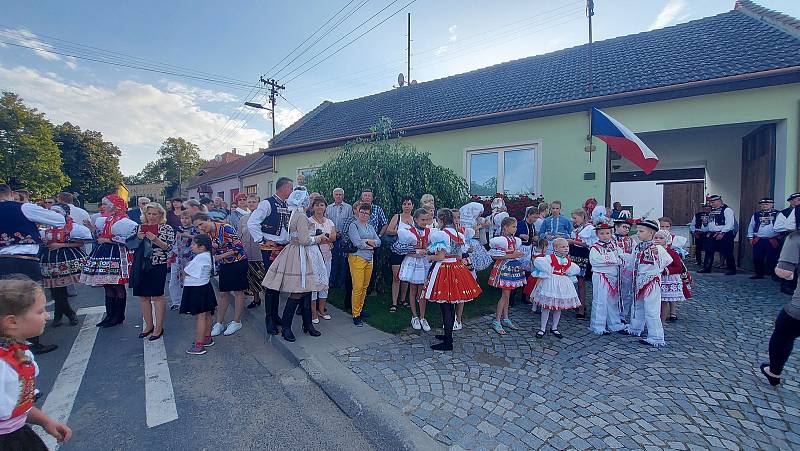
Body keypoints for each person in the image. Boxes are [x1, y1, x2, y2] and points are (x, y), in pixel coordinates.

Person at [0, 276, 72, 449]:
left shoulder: (18, 351)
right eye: (40, 312)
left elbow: (16, 406)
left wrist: (45, 421)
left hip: (17, 434)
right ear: (12, 322)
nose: (47, 316)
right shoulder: (3, 364)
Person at [262, 187, 327, 341]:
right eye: (308, 201)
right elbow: (304, 240)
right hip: (301, 254)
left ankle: (307, 324)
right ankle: (286, 327)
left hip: (295, 251)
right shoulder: (302, 216)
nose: (310, 203)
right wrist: (319, 238)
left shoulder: (293, 214)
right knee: (299, 291)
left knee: (307, 290)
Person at [424, 209, 482, 351]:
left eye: (438, 219)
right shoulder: (458, 234)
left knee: (446, 306)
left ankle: (448, 341)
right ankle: (447, 335)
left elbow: (440, 257)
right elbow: (460, 256)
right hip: (457, 268)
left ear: (442, 219)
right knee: (449, 304)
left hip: (445, 269)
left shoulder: (441, 234)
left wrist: (429, 257)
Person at [81, 194, 138, 329]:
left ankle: (118, 316)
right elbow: (102, 235)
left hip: (117, 254)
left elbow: (129, 240)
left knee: (117, 285)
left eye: (105, 204)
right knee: (107, 285)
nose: (102, 207)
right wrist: (93, 229)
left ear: (114, 206)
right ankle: (110, 315)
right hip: (105, 253)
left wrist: (108, 240)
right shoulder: (107, 219)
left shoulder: (125, 221)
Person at [247, 177, 293, 335]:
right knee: (271, 283)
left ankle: (275, 315)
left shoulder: (286, 205)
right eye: (290, 188)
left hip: (284, 247)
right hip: (270, 248)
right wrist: (262, 239)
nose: (291, 191)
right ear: (282, 188)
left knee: (278, 283)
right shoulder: (267, 203)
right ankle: (269, 319)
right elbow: (252, 222)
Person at [193, 213, 248, 337]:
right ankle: (219, 322)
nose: (200, 228)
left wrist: (219, 256)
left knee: (238, 292)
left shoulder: (225, 228)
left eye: (201, 224)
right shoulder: (206, 234)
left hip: (238, 262)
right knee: (223, 293)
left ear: (208, 219)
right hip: (224, 264)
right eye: (197, 227)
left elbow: (238, 247)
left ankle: (237, 321)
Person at [38, 204, 91, 327]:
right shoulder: (45, 227)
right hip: (49, 259)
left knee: (60, 288)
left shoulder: (71, 227)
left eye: (57, 212)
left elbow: (80, 243)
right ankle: (67, 313)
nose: (54, 214)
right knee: (55, 288)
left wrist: (60, 245)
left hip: (65, 258)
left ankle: (62, 315)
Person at [129, 203, 175, 341]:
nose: (152, 216)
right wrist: (138, 238)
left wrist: (155, 239)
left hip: (157, 264)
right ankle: (148, 325)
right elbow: (130, 245)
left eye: (155, 214)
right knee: (143, 296)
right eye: (149, 214)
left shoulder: (166, 228)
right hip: (141, 265)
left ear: (161, 215)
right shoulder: (138, 227)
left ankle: (158, 327)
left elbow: (168, 247)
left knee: (157, 296)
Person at [624, 219, 672, 347]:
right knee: (638, 305)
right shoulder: (639, 246)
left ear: (651, 233)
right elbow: (633, 261)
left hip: (651, 281)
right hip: (639, 280)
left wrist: (659, 252)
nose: (638, 233)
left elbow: (667, 259)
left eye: (641, 231)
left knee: (651, 309)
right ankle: (635, 328)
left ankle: (656, 336)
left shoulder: (655, 247)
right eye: (638, 230)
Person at [761, 231, 800, 386]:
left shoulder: (795, 238)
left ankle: (774, 372)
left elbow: (784, 272)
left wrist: (790, 275)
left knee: (783, 332)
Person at [531, 237, 581, 339]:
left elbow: (571, 270)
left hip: (562, 284)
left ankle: (554, 327)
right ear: (556, 248)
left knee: (558, 307)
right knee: (547, 307)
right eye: (563, 247)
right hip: (551, 282)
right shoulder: (549, 258)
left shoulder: (568, 260)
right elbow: (542, 265)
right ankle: (542, 328)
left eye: (567, 246)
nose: (566, 248)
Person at [487, 217, 525, 334]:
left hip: (511, 268)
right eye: (513, 226)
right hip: (504, 268)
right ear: (506, 227)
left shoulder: (514, 239)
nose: (515, 229)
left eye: (515, 226)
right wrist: (512, 256)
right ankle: (497, 320)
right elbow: (495, 256)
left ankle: (506, 318)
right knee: (505, 295)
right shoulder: (501, 241)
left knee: (507, 294)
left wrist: (516, 255)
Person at [181, 235, 217, 355]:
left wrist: (184, 270)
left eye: (194, 244)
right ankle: (207, 337)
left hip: (197, 288)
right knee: (206, 314)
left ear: (202, 247)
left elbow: (186, 271)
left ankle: (199, 344)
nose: (191, 246)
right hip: (204, 286)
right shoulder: (207, 256)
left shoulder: (200, 258)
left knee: (200, 317)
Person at [397, 208, 433, 331]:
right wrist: (414, 251)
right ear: (415, 220)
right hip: (413, 262)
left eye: (427, 220)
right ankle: (415, 316)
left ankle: (423, 316)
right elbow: (399, 248)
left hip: (424, 263)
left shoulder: (430, 232)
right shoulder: (409, 232)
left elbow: (434, 247)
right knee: (413, 289)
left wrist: (428, 251)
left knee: (422, 290)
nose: (425, 222)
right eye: (422, 220)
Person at [588, 217, 625, 335]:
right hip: (601, 275)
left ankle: (614, 323)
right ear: (597, 234)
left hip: (612, 275)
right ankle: (598, 325)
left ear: (611, 233)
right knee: (600, 300)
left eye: (607, 233)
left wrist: (616, 260)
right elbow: (594, 261)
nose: (605, 236)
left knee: (612, 301)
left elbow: (620, 257)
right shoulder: (595, 247)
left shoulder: (614, 245)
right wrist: (610, 260)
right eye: (602, 233)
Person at [347, 202, 381, 327]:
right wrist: (369, 243)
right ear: (358, 212)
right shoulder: (353, 225)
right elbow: (357, 242)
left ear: (369, 215)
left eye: (367, 213)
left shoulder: (370, 227)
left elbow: (379, 242)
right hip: (357, 258)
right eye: (362, 212)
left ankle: (360, 309)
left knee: (365, 286)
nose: (364, 215)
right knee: (358, 287)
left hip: (369, 259)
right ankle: (355, 314)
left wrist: (367, 242)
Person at [309, 196, 336, 323]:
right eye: (317, 205)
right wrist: (324, 238)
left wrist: (321, 238)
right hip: (313, 257)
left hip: (326, 255)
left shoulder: (329, 222)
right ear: (313, 207)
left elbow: (333, 237)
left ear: (325, 207)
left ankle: (321, 310)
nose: (319, 207)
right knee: (314, 284)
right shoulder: (309, 221)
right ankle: (313, 312)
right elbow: (308, 239)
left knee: (325, 283)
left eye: (322, 205)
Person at [385, 197, 414, 311]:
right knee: (396, 277)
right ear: (402, 206)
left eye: (409, 204)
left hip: (409, 251)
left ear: (412, 206)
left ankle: (403, 299)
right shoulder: (397, 217)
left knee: (406, 277)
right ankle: (394, 302)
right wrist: (401, 231)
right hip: (397, 250)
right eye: (404, 204)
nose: (406, 206)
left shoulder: (414, 219)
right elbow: (388, 230)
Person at [239, 195, 266, 310]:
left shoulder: (264, 218)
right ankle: (256, 299)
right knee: (251, 278)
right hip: (247, 254)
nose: (251, 204)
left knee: (264, 278)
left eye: (253, 202)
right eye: (249, 202)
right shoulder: (243, 219)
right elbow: (238, 235)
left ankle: (269, 303)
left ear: (258, 203)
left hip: (261, 253)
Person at [699, 195, 737, 275]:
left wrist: (722, 232)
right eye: (710, 202)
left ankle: (732, 269)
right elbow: (708, 224)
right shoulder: (711, 211)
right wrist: (705, 224)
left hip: (725, 233)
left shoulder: (727, 210)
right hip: (712, 234)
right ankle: (707, 268)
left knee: (727, 252)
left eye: (713, 202)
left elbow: (730, 223)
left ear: (719, 201)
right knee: (709, 251)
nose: (711, 204)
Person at [569, 208, 596, 318]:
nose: (573, 220)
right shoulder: (577, 229)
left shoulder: (589, 228)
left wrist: (572, 241)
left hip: (583, 255)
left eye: (575, 218)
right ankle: (578, 303)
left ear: (582, 217)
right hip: (575, 254)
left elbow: (588, 244)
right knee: (575, 280)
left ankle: (582, 307)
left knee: (581, 282)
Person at [654, 230, 685, 323]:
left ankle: (661, 322)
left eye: (661, 238)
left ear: (667, 240)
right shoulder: (652, 250)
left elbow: (679, 268)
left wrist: (666, 270)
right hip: (656, 278)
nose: (658, 240)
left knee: (664, 301)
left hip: (667, 278)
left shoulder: (672, 252)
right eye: (656, 238)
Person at [361, 189, 388, 295]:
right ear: (362, 198)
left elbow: (385, 223)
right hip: (360, 241)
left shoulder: (377, 209)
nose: (367, 197)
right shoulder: (359, 209)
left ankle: (370, 288)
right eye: (365, 195)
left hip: (373, 242)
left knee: (372, 265)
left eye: (369, 196)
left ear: (372, 198)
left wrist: (379, 236)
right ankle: (359, 287)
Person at [325, 188, 352, 290]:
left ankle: (342, 283)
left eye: (340, 194)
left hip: (344, 238)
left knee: (344, 261)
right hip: (332, 238)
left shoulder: (348, 208)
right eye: (336, 194)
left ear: (343, 196)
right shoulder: (328, 208)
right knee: (333, 260)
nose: (338, 196)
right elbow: (326, 222)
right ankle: (332, 281)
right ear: (333, 196)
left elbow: (350, 222)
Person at [773, 192, 800, 294]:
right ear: (792, 201)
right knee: (788, 262)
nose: (798, 201)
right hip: (790, 237)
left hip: (794, 236)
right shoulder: (784, 212)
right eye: (797, 199)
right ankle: (786, 285)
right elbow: (778, 227)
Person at [747, 197, 779, 280]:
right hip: (759, 239)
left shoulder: (778, 214)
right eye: (763, 204)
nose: (764, 206)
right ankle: (759, 273)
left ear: (772, 204)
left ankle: (774, 274)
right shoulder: (756, 214)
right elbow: (751, 226)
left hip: (772, 239)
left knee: (773, 258)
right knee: (757, 257)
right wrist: (750, 237)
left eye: (767, 204)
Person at [613, 218, 638, 323]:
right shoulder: (611, 239)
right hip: (614, 269)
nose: (626, 229)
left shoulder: (631, 240)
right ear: (616, 227)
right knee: (613, 292)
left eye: (628, 228)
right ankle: (611, 314)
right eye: (624, 227)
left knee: (625, 293)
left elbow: (635, 253)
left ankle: (623, 315)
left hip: (627, 270)